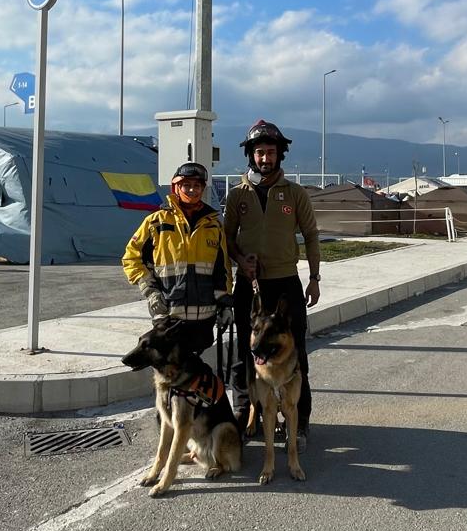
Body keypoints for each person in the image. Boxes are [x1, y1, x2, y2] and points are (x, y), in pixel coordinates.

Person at [223, 119, 320, 447]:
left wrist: (314, 278)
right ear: (251, 155)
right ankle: (243, 411)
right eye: (260, 153)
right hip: (250, 287)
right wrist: (240, 260)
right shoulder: (237, 195)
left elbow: (311, 236)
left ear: (281, 155)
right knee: (244, 352)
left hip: (287, 284)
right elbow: (227, 239)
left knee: (298, 354)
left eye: (271, 153)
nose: (266, 159)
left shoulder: (295, 193)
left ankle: (300, 420)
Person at [121, 162, 231, 357]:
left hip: (203, 319)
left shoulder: (213, 226)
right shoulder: (156, 222)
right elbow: (131, 258)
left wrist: (225, 304)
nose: (192, 190)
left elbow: (222, 270)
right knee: (170, 375)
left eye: (197, 186)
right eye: (186, 185)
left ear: (203, 189)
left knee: (194, 375)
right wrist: (151, 292)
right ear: (176, 187)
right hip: (168, 319)